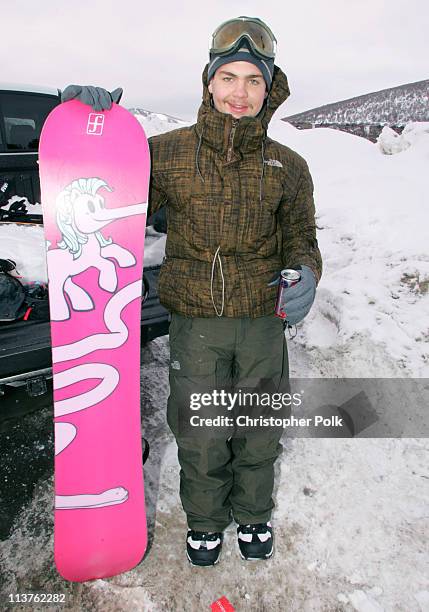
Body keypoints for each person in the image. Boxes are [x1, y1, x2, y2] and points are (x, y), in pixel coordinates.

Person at [61, 15, 322, 567]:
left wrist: (307, 270)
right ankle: (205, 523)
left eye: (254, 81)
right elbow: (107, 188)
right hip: (196, 326)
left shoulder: (289, 166)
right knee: (202, 434)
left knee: (257, 434)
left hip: (261, 324)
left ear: (269, 88)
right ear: (208, 82)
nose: (240, 92)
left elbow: (301, 235)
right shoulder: (170, 153)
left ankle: (252, 517)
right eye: (229, 77)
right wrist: (88, 125)